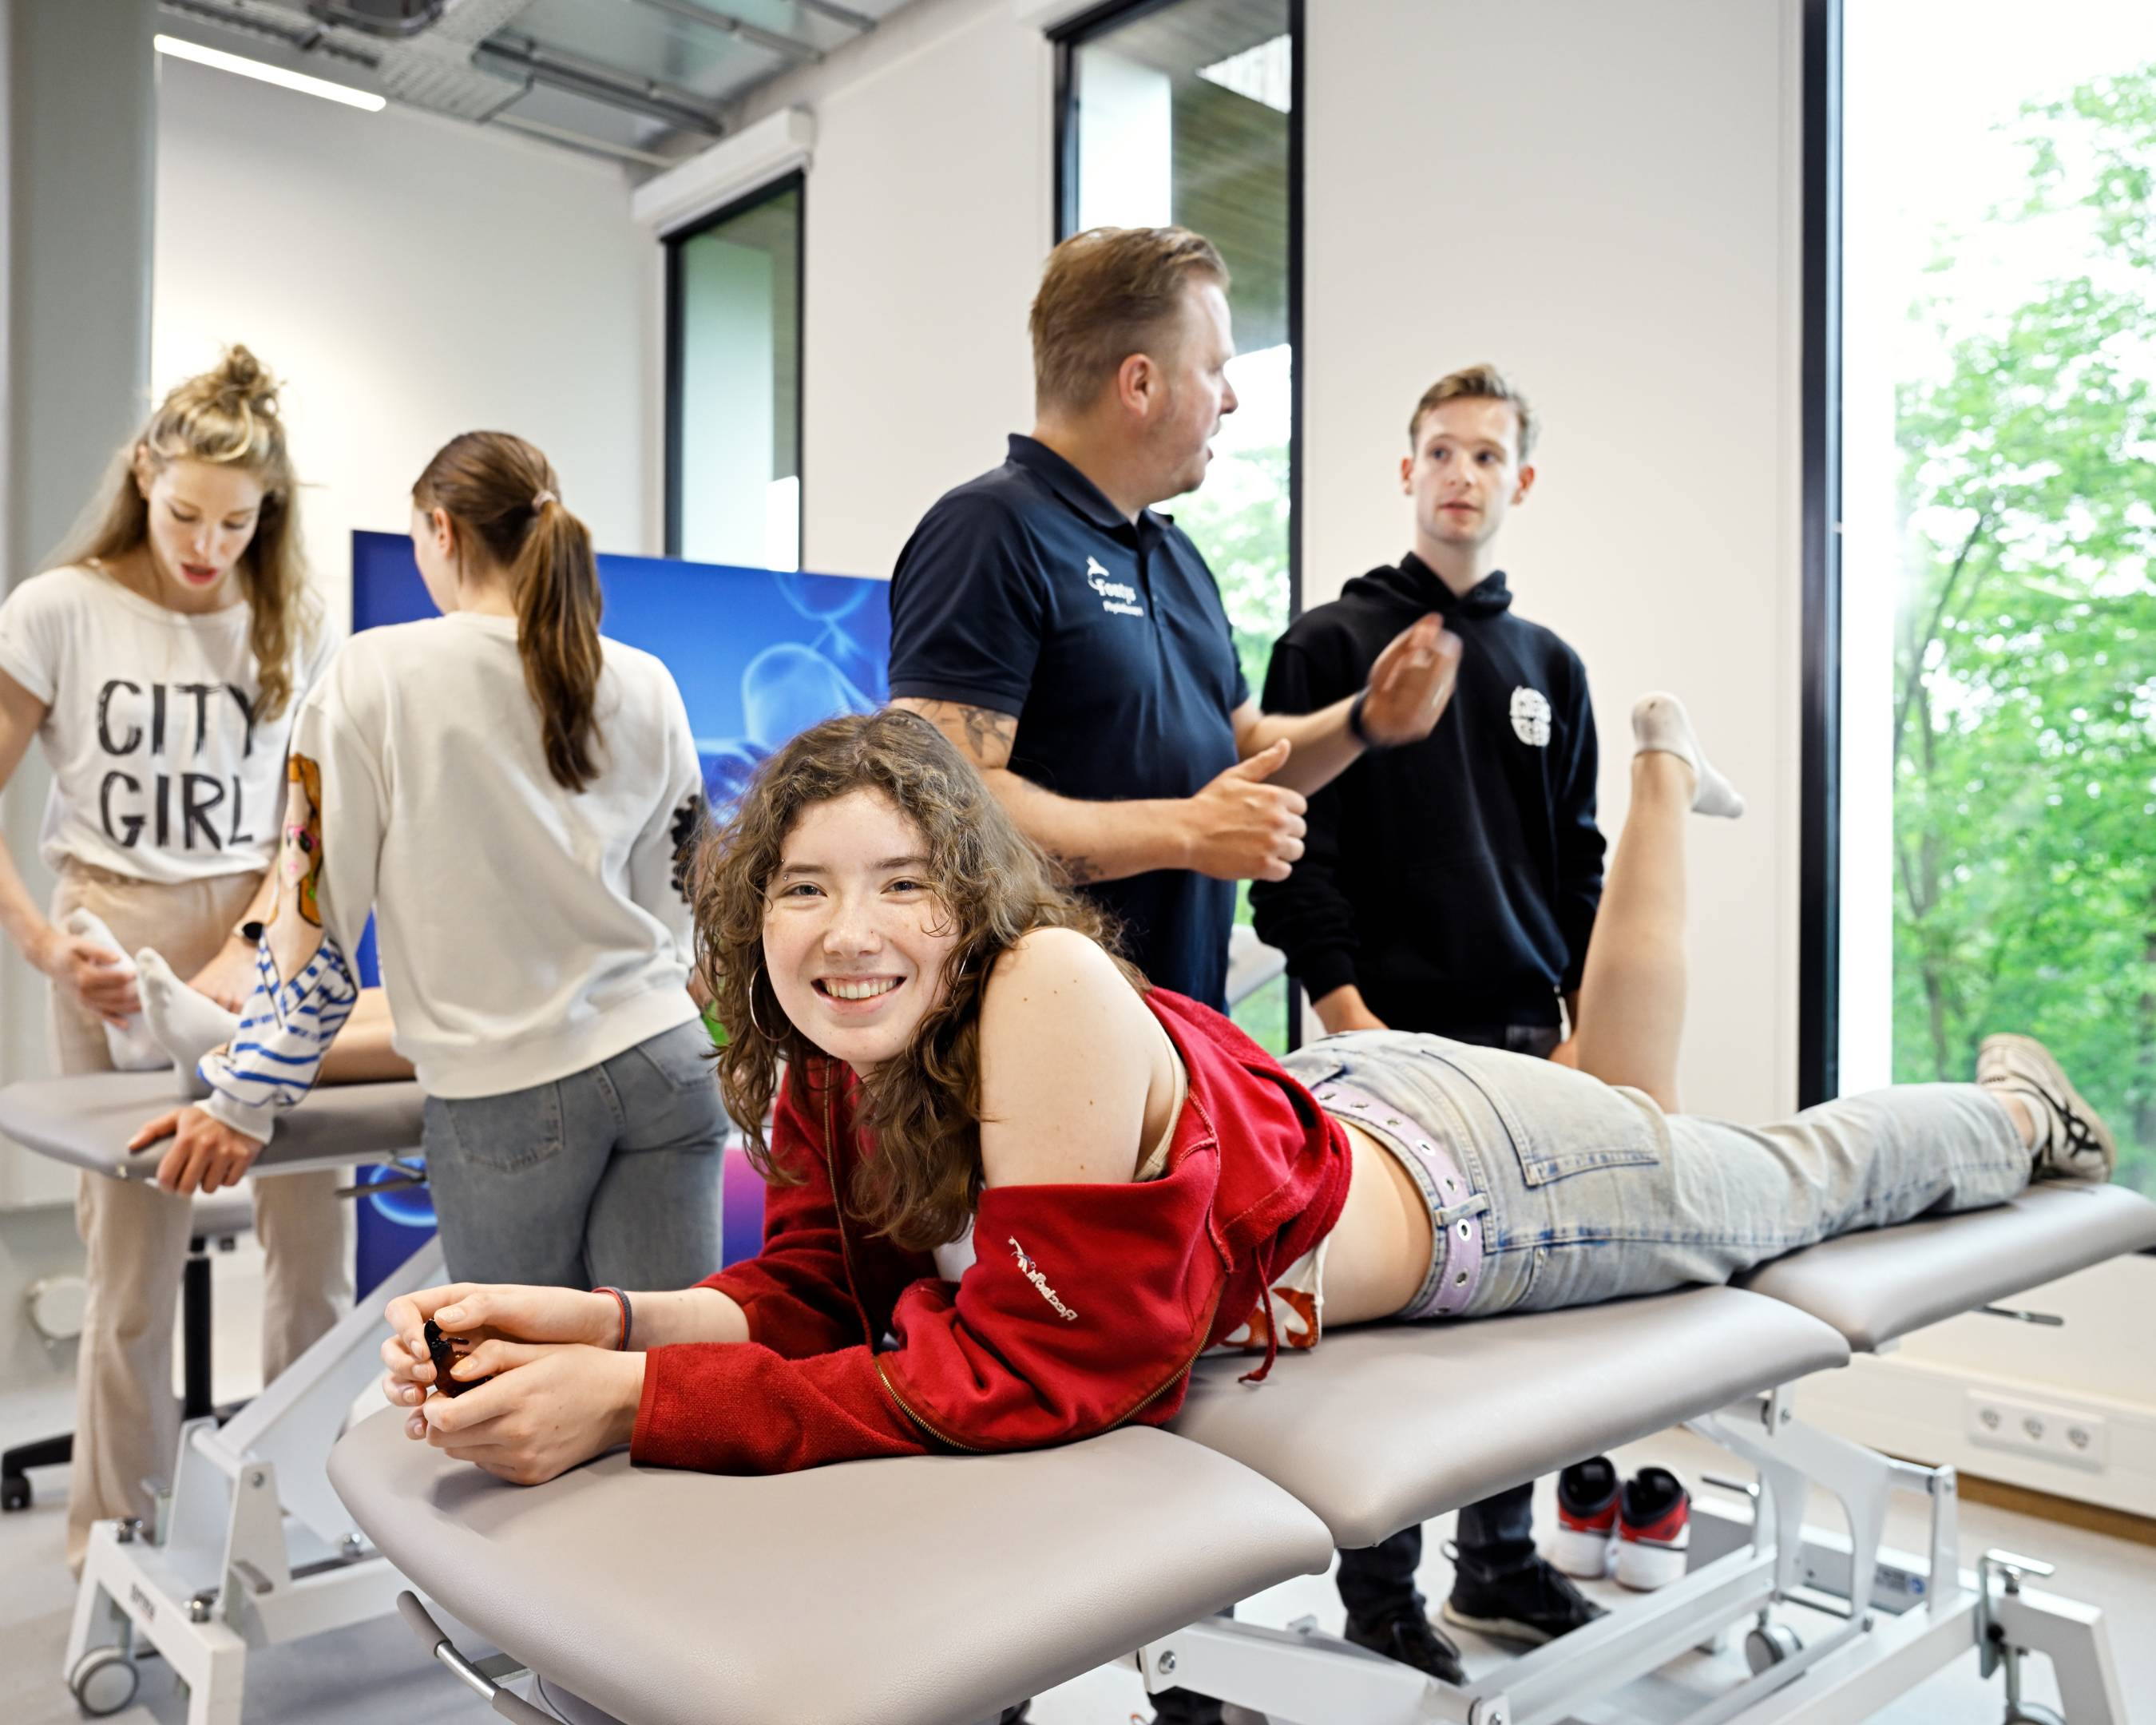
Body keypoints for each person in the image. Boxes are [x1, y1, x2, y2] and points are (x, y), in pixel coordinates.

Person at [375, 708, 2112, 1535]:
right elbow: (824, 1296)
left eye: (901, 884)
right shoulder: (835, 1052)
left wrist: (640, 1399)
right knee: (1652, 1110)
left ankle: (2013, 1111)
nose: (846, 933)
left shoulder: (1038, 988)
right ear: (752, 911)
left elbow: (1049, 1376)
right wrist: (601, 1324)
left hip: (1466, 1186)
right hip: (1321, 1115)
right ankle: (1665, 783)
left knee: (1773, 1180)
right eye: (805, 891)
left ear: (965, 903)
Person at [1249, 363, 1744, 1665]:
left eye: (1487, 457)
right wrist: (1343, 1008)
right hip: (1380, 1043)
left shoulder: (1549, 667)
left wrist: (1583, 1017)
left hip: (1532, 1037)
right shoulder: (1330, 647)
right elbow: (1298, 853)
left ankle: (1502, 1564)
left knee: (1524, 1334)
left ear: (1519, 482)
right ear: (1406, 471)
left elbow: (1581, 866)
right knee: (1396, 1350)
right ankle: (1381, 1597)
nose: (1462, 475)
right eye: (1441, 452)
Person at [129, 431, 723, 1296]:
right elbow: (680, 909)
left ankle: (216, 1048)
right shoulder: (646, 680)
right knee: (665, 1386)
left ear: (441, 531)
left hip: (512, 1096)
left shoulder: (374, 673)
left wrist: (242, 1105)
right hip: (670, 1067)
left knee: (515, 1397)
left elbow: (314, 921)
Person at [886, 225, 1461, 1013]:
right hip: (1038, 1043)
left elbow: (1246, 753)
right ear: (1141, 384)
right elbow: (943, 807)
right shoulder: (987, 532)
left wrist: (1366, 720)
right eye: (1217, 369)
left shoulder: (1178, 558)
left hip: (1182, 1038)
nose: (1231, 398)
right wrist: (1186, 832)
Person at [0, 347, 358, 1572]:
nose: (208, 544)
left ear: (272, 514)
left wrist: (258, 942)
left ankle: (303, 1504)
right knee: (134, 1266)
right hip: (114, 922)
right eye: (186, 514)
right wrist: (52, 950)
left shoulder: (289, 618)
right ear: (144, 475)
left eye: (237, 521)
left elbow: (309, 826)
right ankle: (116, 1529)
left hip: (264, 927)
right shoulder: (57, 608)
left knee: (312, 1249)